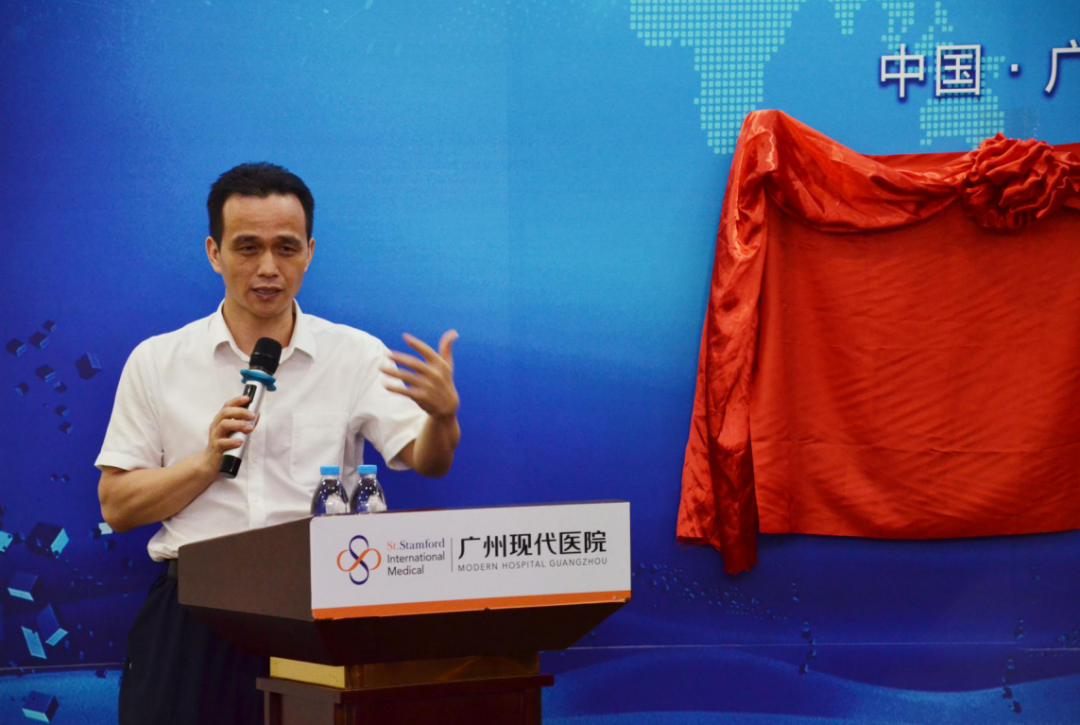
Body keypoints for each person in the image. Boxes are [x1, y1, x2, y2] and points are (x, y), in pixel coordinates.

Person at [95, 162, 460, 724]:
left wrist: (443, 417)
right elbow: (117, 507)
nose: (269, 268)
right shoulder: (158, 361)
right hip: (193, 616)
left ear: (309, 252)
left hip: (317, 613)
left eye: (286, 248)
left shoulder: (354, 355)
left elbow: (427, 460)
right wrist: (207, 463)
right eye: (248, 248)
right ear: (214, 253)